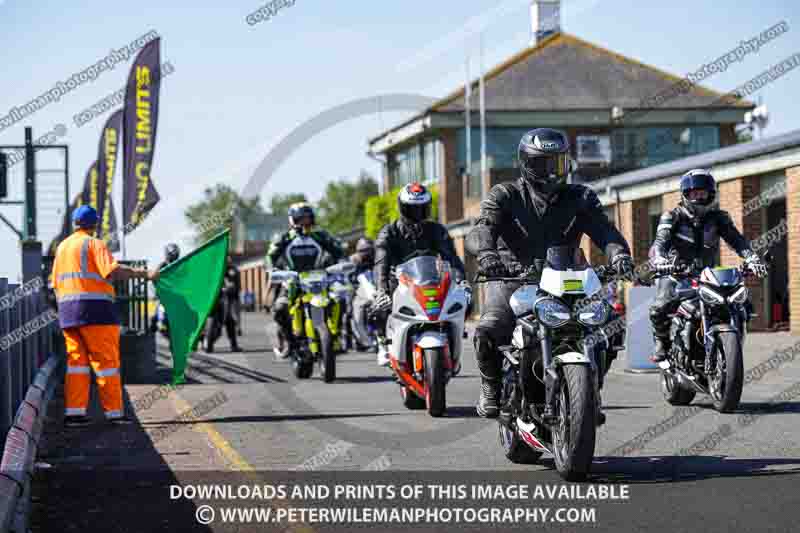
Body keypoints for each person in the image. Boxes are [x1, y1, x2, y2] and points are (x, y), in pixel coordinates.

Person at [465, 128, 634, 418]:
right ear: (526, 164)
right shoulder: (504, 195)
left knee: (609, 325)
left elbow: (605, 231)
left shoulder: (581, 196)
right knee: (489, 330)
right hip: (513, 278)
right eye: (544, 164)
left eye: (558, 163)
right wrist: (488, 255)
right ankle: (492, 388)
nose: (553, 171)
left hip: (567, 278)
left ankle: (590, 389)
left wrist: (619, 256)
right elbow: (482, 229)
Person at [51, 205, 159, 428]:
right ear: (95, 224)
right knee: (106, 362)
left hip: (68, 313)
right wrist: (144, 274)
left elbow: (54, 283)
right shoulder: (94, 244)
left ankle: (75, 414)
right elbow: (112, 271)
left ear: (75, 223)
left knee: (76, 363)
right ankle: (114, 414)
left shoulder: (62, 247)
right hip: (96, 312)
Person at [649, 168, 768, 362]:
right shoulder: (672, 217)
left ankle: (730, 343)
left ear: (710, 194)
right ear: (686, 194)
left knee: (741, 303)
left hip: (706, 274)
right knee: (660, 306)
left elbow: (737, 241)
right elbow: (659, 242)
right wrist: (660, 260)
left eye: (703, 192)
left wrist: (752, 259)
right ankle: (662, 343)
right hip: (676, 272)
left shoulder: (719, 218)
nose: (699, 197)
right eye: (695, 193)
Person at [372, 182, 467, 367]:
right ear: (402, 207)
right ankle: (383, 342)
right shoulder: (389, 232)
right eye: (412, 208)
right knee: (380, 305)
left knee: (463, 299)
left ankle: (454, 337)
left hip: (430, 278)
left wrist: (461, 280)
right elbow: (380, 262)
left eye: (421, 208)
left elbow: (451, 258)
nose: (417, 213)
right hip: (398, 281)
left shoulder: (436, 230)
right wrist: (381, 288)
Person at [266, 202, 344, 358]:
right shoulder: (284, 238)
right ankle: (289, 341)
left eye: (308, 219)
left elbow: (338, 251)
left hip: (318, 280)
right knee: (280, 309)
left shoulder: (320, 235)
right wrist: (272, 269)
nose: (305, 222)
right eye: (301, 219)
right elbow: (270, 256)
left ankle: (335, 336)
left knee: (340, 298)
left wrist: (342, 262)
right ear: (293, 220)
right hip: (292, 281)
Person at [206, 255, 242, 353]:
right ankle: (202, 340)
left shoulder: (233, 271)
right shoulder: (213, 269)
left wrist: (239, 324)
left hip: (226, 299)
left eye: (228, 259)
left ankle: (233, 345)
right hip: (213, 300)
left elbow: (236, 290)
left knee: (230, 320)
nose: (226, 260)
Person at [150, 243, 180, 336]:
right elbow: (154, 276)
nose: (172, 257)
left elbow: (187, 277)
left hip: (178, 294)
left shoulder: (181, 264)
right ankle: (151, 332)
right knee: (153, 317)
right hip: (165, 294)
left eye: (174, 255)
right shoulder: (162, 265)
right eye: (171, 254)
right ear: (167, 254)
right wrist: (158, 288)